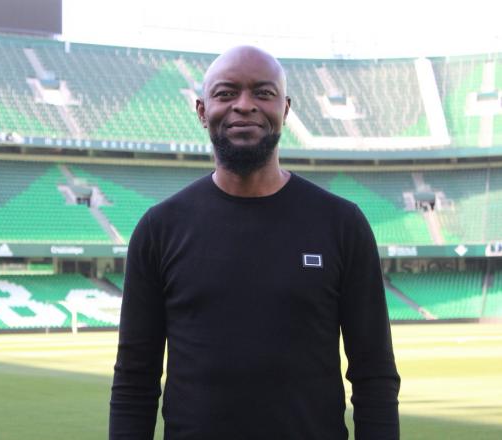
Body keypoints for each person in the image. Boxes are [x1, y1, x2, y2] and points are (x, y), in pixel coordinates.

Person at [110, 45, 400, 439]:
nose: (244, 105)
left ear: (286, 108)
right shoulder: (159, 229)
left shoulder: (341, 224)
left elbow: (374, 375)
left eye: (263, 93)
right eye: (226, 93)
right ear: (201, 110)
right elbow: (134, 380)